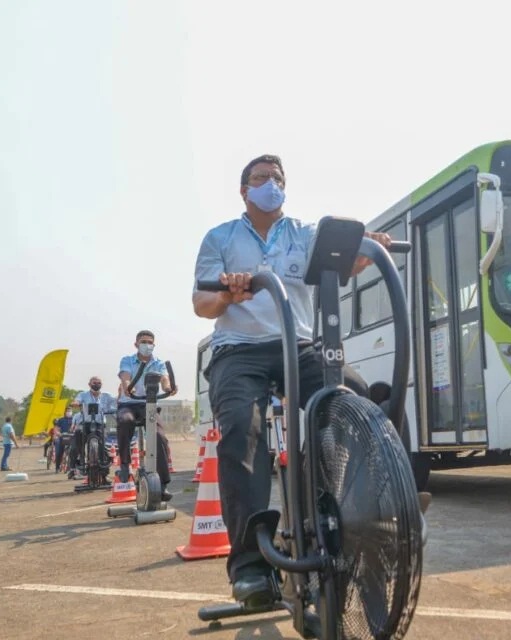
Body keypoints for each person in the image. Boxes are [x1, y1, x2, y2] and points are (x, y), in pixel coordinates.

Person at [191, 153, 390, 607]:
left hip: (296, 345)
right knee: (243, 429)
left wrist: (360, 254)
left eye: (277, 178)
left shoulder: (304, 233)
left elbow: (343, 262)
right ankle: (250, 568)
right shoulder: (220, 237)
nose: (270, 184)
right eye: (261, 178)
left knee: (352, 394)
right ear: (244, 190)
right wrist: (227, 293)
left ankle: (325, 505)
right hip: (238, 349)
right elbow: (201, 302)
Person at [116, 330, 176, 499]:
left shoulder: (158, 362)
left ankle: (163, 484)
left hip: (148, 404)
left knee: (159, 436)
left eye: (150, 342)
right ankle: (125, 465)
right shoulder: (127, 360)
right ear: (136, 344)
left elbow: (165, 379)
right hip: (129, 403)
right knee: (125, 421)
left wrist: (168, 388)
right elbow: (125, 377)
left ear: (154, 345)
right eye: (143, 341)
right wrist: (129, 387)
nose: (147, 345)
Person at [71, 377, 118, 475]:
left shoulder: (106, 396)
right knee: (78, 434)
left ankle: (104, 468)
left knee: (102, 443)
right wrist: (76, 403)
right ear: (89, 384)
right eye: (94, 382)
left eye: (99, 383)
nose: (96, 384)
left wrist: (121, 392)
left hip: (99, 424)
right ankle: (81, 457)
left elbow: (116, 402)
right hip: (86, 423)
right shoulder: (83, 395)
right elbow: (77, 400)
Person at [53, 405, 75, 475]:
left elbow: (77, 427)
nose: (69, 412)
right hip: (62, 437)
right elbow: (56, 429)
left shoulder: (74, 419)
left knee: (75, 451)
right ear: (65, 412)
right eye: (67, 411)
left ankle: (74, 467)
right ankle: (57, 467)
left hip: (72, 437)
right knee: (59, 452)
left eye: (70, 411)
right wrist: (58, 433)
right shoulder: (61, 420)